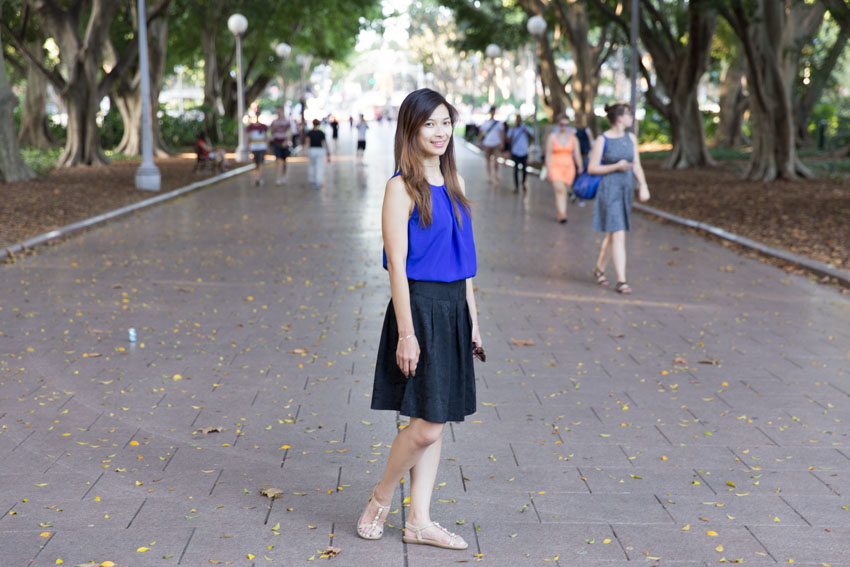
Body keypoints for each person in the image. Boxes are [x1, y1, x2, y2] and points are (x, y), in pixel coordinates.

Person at [357, 88, 481, 551]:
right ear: (410, 129)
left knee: (439, 418)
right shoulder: (400, 188)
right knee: (425, 424)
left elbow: (464, 262)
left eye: (446, 122)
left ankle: (419, 521)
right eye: (430, 123)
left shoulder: (457, 185)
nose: (440, 132)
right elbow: (397, 267)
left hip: (453, 310)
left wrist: (473, 321)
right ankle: (381, 496)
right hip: (419, 309)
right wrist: (406, 334)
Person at [587, 103, 650, 294]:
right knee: (619, 233)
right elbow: (592, 168)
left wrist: (643, 185)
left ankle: (599, 269)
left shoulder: (631, 138)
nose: (632, 118)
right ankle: (622, 280)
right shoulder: (602, 139)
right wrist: (615, 166)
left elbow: (636, 165)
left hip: (626, 190)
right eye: (629, 114)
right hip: (609, 190)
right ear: (620, 118)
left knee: (613, 234)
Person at [544, 114, 583, 223]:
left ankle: (562, 212)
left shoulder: (573, 138)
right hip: (555, 166)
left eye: (566, 124)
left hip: (569, 167)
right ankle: (562, 215)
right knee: (559, 189)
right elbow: (548, 154)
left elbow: (577, 154)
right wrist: (548, 168)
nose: (564, 127)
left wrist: (580, 167)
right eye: (562, 124)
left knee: (565, 191)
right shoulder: (552, 137)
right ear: (558, 124)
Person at [477, 106, 505, 184]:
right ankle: (489, 176)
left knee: (496, 161)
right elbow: (481, 132)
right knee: (488, 161)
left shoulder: (498, 123)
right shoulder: (486, 122)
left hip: (496, 144)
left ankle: (496, 173)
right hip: (487, 144)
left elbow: (502, 133)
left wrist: (502, 143)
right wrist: (479, 141)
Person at [506, 115, 533, 192]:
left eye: (519, 120)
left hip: (524, 151)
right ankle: (516, 187)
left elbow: (532, 138)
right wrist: (513, 132)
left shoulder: (526, 128)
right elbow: (508, 141)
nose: (518, 121)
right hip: (515, 151)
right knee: (515, 170)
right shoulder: (512, 129)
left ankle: (523, 183)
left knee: (524, 170)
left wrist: (527, 133)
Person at [306, 119, 331, 189]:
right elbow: (325, 143)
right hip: (319, 150)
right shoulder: (321, 133)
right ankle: (318, 181)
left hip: (312, 150)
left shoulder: (310, 132)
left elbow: (307, 143)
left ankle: (312, 180)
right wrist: (328, 152)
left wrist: (306, 151)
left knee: (312, 166)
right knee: (319, 167)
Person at [270, 107, 292, 185]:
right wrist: (274, 128)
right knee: (278, 160)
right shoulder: (274, 122)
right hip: (276, 142)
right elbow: (271, 133)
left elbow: (289, 133)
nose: (278, 114)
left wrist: (287, 141)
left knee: (284, 162)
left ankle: (283, 176)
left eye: (279, 112)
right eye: (277, 112)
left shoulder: (287, 122)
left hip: (284, 143)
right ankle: (277, 178)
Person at [246, 112, 269, 186]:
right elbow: (248, 136)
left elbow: (266, 136)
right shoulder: (250, 127)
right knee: (256, 163)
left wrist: (267, 145)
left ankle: (259, 177)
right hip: (254, 147)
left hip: (262, 146)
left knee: (261, 162)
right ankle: (257, 176)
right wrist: (248, 145)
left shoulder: (263, 126)